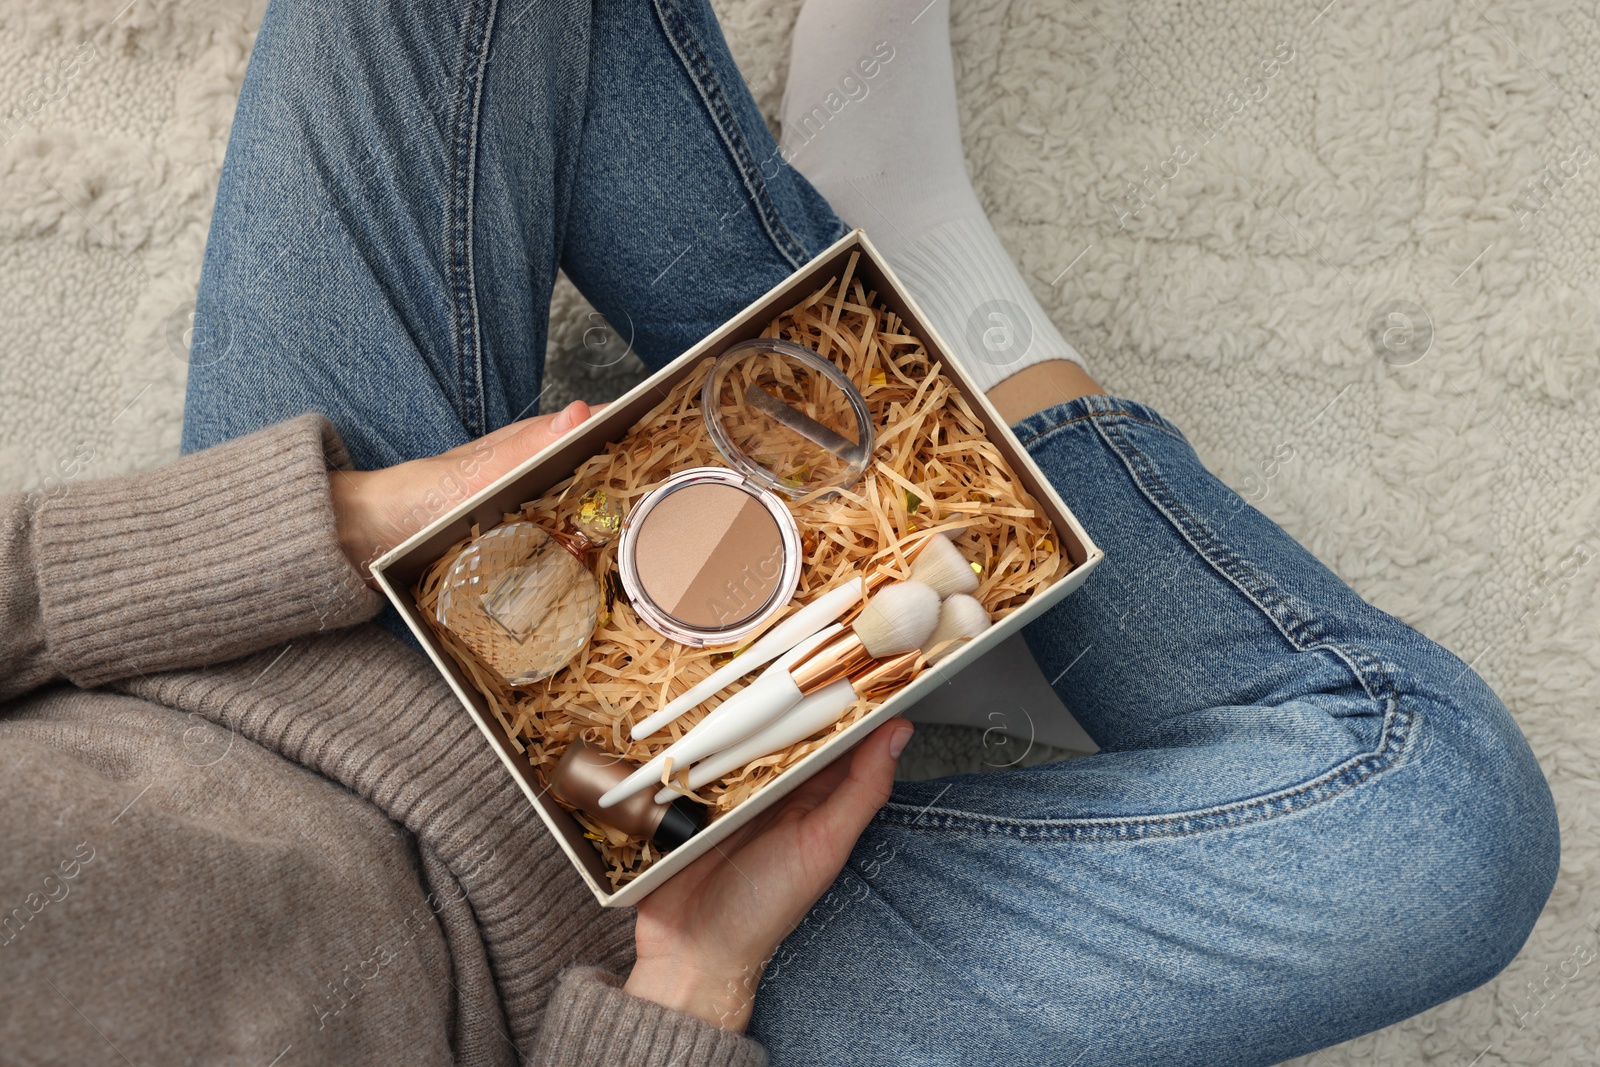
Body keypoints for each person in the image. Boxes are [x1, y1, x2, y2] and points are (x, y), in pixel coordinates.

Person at [0, 0, 1557, 1064]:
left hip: (263, 645)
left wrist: (331, 523)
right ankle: (939, 335)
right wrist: (691, 991)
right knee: (1441, 828)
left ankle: (886, 321)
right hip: (583, 970)